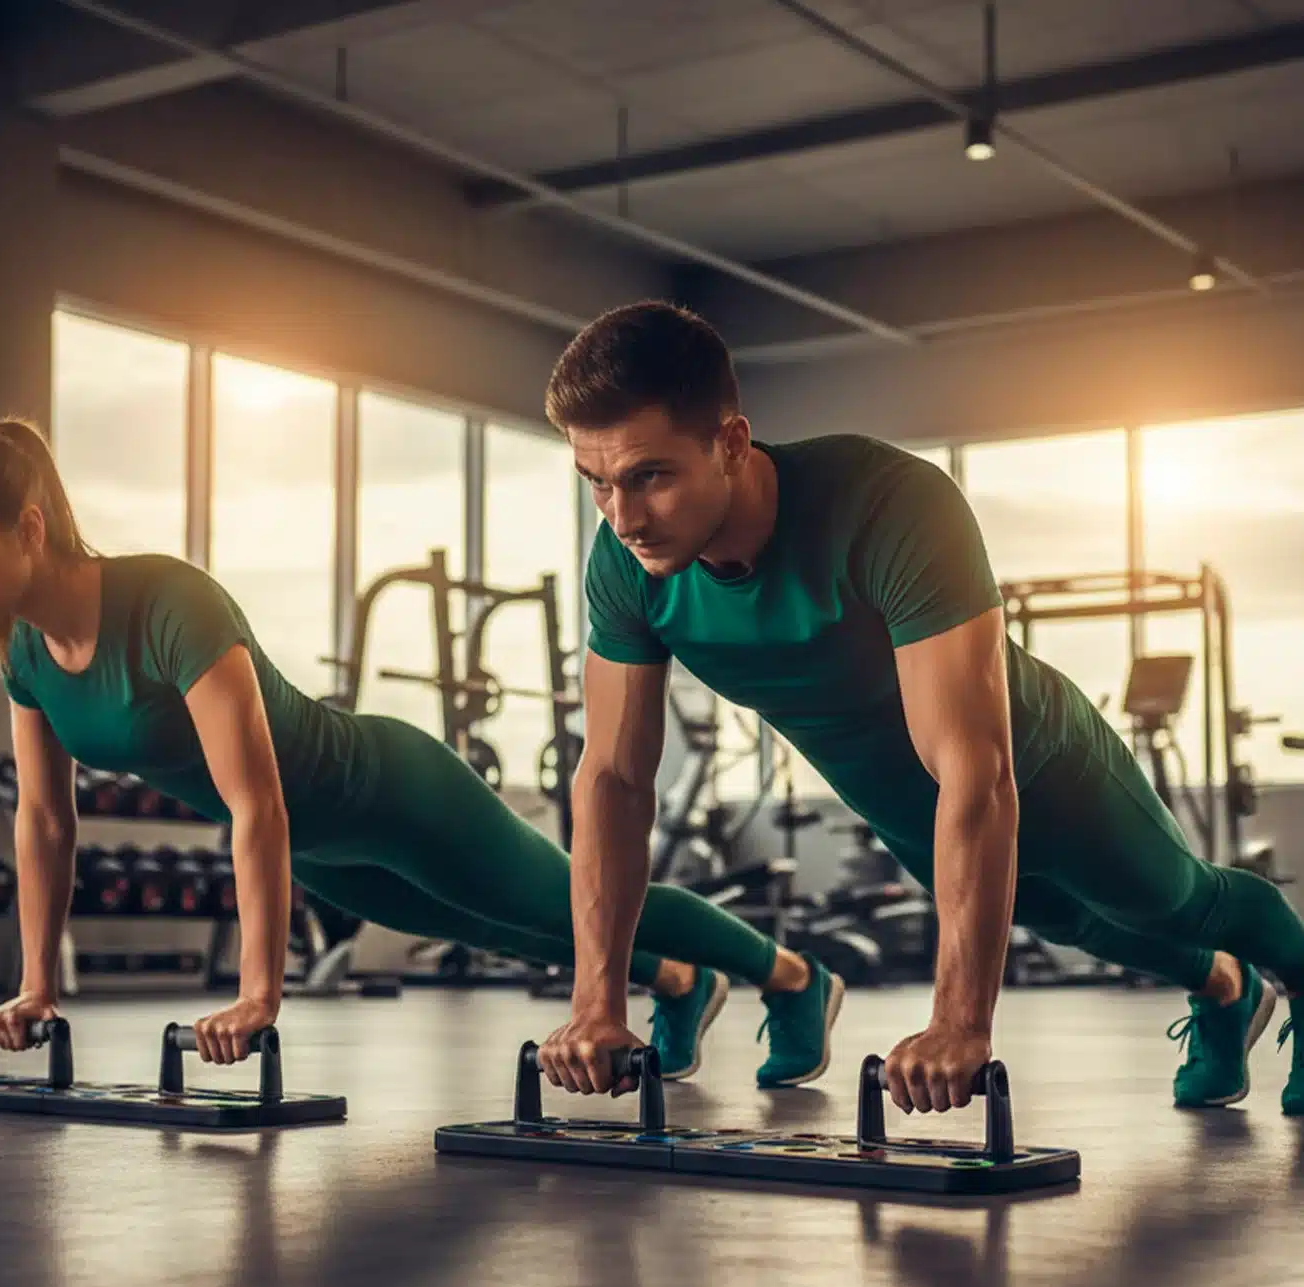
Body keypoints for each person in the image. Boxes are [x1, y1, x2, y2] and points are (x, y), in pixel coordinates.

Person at [0, 418, 840, 1080]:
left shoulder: (167, 602)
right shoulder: (21, 653)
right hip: (326, 851)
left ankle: (796, 980)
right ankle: (679, 980)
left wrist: (259, 995)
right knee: (509, 933)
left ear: (29, 528)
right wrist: (37, 988)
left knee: (570, 901)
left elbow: (255, 803)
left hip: (393, 791)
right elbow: (45, 822)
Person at [535, 300, 1304, 1117]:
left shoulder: (888, 503)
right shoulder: (624, 567)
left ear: (730, 442)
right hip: (903, 806)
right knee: (1071, 925)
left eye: (650, 477)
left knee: (1172, 902)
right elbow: (613, 778)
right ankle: (1224, 990)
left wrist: (959, 1023)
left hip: (1041, 765)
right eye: (597, 484)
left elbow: (975, 766)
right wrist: (596, 1004)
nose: (623, 517)